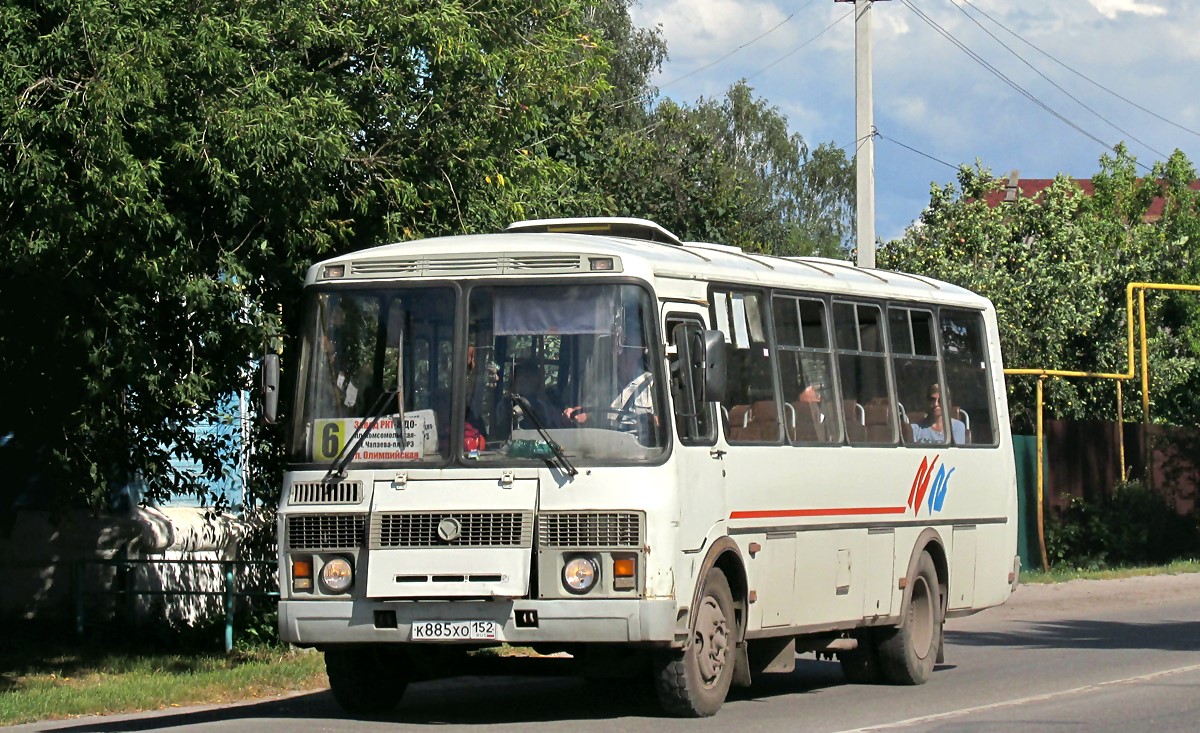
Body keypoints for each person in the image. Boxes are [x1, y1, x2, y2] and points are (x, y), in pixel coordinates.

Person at [563, 343, 654, 432]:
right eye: (617, 350)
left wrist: (653, 421)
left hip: (639, 443)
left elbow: (662, 422)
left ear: (639, 352)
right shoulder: (603, 385)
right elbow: (586, 411)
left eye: (625, 350)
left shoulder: (651, 384)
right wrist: (574, 413)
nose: (620, 354)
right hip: (608, 442)